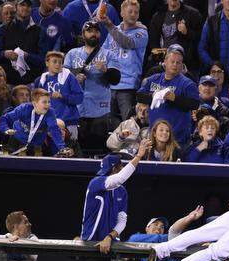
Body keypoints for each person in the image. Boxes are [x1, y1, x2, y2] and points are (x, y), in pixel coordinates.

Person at [79, 138, 150, 261]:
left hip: (111, 245)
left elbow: (122, 220)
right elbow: (117, 179)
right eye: (120, 165)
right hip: (90, 244)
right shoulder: (96, 183)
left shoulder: (121, 192)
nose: (122, 168)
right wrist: (138, 157)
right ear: (113, 167)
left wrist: (110, 236)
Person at [65, 20, 116, 151]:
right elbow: (62, 79)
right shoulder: (72, 54)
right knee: (77, 148)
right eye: (89, 31)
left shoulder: (108, 54)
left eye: (96, 31)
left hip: (100, 108)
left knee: (99, 148)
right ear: (83, 34)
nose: (93, 34)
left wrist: (106, 70)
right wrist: (75, 79)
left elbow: (116, 79)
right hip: (77, 108)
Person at [135, 43, 199, 142]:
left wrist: (174, 98)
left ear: (182, 65)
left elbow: (194, 104)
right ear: (165, 62)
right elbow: (139, 96)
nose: (175, 65)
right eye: (172, 61)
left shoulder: (188, 83)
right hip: (155, 136)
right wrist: (154, 95)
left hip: (178, 138)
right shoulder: (154, 79)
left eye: (178, 63)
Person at [97, 0, 147, 121]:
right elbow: (103, 53)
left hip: (128, 86)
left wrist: (109, 25)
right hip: (110, 85)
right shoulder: (114, 31)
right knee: (108, 122)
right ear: (122, 13)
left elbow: (127, 42)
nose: (133, 14)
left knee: (129, 123)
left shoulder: (142, 32)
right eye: (130, 11)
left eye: (136, 12)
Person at [0, 0, 41, 85]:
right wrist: (4, 53)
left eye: (28, 6)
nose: (25, 8)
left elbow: (43, 60)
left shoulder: (39, 31)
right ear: (16, 8)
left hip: (31, 83)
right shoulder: (2, 29)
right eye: (22, 5)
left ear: (32, 9)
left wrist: (28, 56)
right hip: (8, 82)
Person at [0, 86, 67, 154]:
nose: (48, 105)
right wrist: (6, 129)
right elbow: (4, 118)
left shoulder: (50, 112)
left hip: (37, 146)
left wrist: (62, 148)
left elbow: (54, 130)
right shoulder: (24, 109)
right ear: (34, 103)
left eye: (49, 102)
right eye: (44, 102)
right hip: (17, 142)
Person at [32, 50, 82, 139]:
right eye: (54, 61)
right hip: (47, 124)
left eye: (60, 62)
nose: (58, 64)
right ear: (47, 63)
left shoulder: (69, 77)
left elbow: (79, 98)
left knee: (70, 150)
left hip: (68, 123)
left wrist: (62, 96)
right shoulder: (40, 81)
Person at [146, 0, 201, 75]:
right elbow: (153, 42)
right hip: (164, 63)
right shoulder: (158, 15)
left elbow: (200, 39)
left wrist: (187, 32)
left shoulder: (193, 14)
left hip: (187, 65)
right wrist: (162, 61)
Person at [197, 0, 229, 76]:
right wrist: (213, 65)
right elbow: (201, 48)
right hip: (214, 75)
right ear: (222, 1)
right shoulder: (211, 22)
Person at [191, 72, 229, 136]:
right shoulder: (190, 103)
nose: (207, 88)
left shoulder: (223, 107)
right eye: (204, 85)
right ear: (199, 88)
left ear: (216, 89)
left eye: (211, 85)